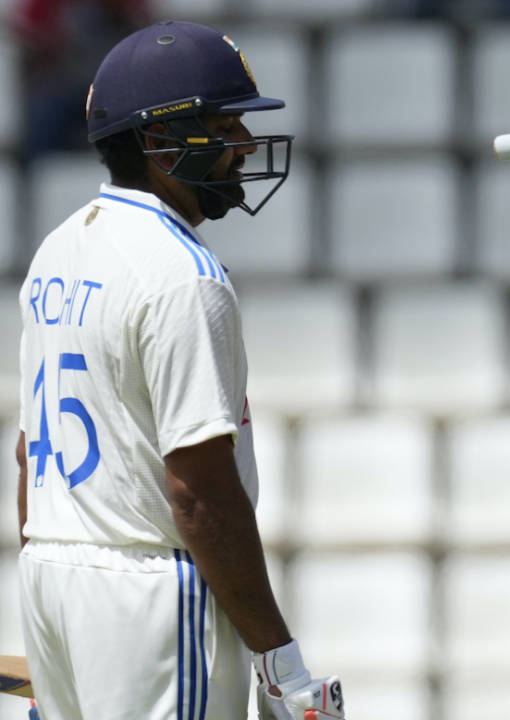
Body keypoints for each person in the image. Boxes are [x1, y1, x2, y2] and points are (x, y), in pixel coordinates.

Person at [13, 21, 344, 720]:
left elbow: (25, 455)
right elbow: (197, 495)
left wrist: (61, 589)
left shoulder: (60, 247)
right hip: (152, 600)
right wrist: (279, 659)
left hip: (50, 569)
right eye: (227, 127)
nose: (248, 146)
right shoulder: (182, 275)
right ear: (162, 142)